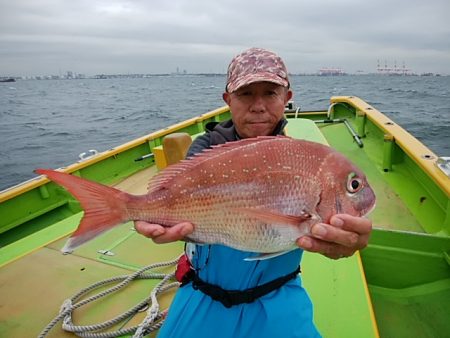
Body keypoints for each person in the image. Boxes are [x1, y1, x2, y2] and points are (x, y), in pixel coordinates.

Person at [135, 47, 372, 337]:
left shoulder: (305, 162)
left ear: (287, 97)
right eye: (246, 94)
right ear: (228, 100)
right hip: (204, 292)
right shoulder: (204, 151)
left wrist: (345, 243)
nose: (258, 105)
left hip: (277, 296)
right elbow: (187, 209)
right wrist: (153, 215)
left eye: (270, 93)